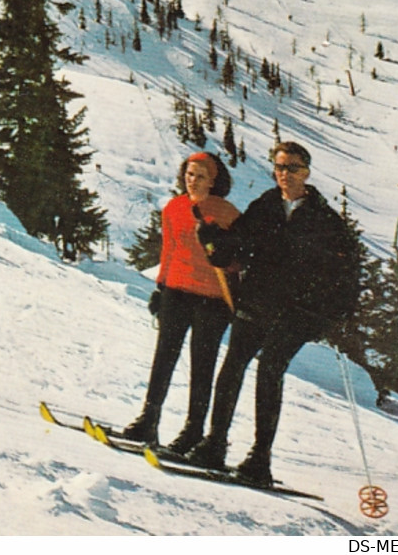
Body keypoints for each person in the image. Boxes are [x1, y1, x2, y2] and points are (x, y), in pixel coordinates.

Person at [184, 140, 361, 487]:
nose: (285, 174)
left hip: (298, 312)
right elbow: (235, 248)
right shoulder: (264, 206)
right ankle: (214, 444)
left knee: (269, 370)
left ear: (306, 172)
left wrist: (331, 312)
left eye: (292, 168)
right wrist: (212, 241)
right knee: (232, 366)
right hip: (258, 302)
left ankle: (259, 458)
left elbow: (345, 273)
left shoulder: (325, 220)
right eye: (279, 167)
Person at [117, 152, 239, 453]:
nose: (192, 179)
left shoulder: (228, 213)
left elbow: (238, 260)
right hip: (176, 291)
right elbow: (168, 251)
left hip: (212, 298)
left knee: (202, 365)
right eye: (188, 173)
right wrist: (160, 288)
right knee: (164, 358)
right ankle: (149, 418)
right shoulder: (173, 208)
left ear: (214, 179)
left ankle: (194, 430)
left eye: (199, 175)